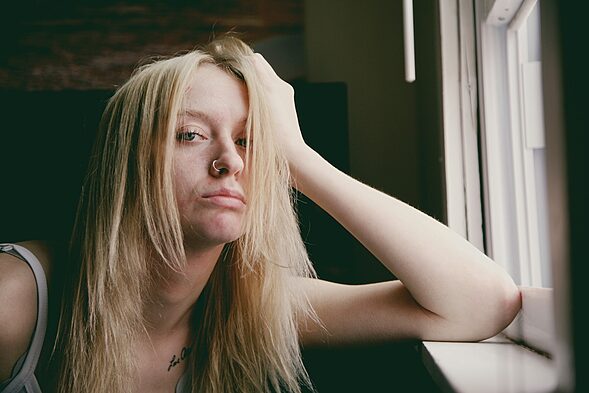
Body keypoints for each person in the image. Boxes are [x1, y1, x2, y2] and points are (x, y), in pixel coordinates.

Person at [0, 36, 521, 393]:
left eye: (249, 141)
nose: (231, 161)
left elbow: (481, 303)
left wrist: (297, 156)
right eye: (191, 134)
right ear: (127, 164)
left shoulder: (249, 304)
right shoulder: (15, 300)